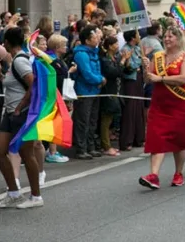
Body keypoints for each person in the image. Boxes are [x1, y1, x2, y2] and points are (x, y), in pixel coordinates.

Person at [138, 26, 185, 189]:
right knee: (156, 139)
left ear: (179, 39)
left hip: (180, 105)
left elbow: (183, 78)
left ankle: (178, 173)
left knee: (179, 142)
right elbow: (149, 80)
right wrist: (145, 67)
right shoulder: (157, 56)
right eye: (166, 36)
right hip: (160, 105)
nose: (167, 39)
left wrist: (161, 78)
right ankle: (153, 176)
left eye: (171, 36)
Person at [0, 27, 44, 208]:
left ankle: (36, 196)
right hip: (9, 114)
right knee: (0, 152)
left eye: (4, 42)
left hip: (22, 113)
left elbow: (33, 83)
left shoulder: (20, 61)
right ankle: (14, 193)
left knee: (27, 153)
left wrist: (20, 106)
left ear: (8, 43)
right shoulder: (14, 60)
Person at [72, 25, 106, 160]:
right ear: (87, 40)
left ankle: (90, 147)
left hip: (95, 91)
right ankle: (81, 148)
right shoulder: (81, 54)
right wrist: (100, 79)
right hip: (84, 91)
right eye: (94, 37)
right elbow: (87, 74)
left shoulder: (93, 52)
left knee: (92, 121)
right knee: (83, 121)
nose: (97, 38)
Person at [45, 34, 72, 163]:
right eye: (63, 45)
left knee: (56, 122)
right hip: (53, 95)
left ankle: (53, 150)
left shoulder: (58, 59)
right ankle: (52, 151)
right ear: (56, 47)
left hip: (59, 95)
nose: (66, 47)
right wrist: (69, 72)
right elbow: (58, 78)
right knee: (53, 123)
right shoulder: (51, 60)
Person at [99, 36, 127, 157]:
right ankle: (106, 145)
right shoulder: (105, 59)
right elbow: (113, 72)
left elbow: (121, 72)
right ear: (109, 46)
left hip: (115, 90)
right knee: (106, 119)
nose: (117, 46)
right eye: (115, 44)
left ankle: (107, 143)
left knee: (111, 118)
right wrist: (123, 61)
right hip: (108, 91)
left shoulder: (114, 58)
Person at [119, 30, 146, 151]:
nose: (139, 36)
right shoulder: (125, 49)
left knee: (139, 108)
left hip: (138, 79)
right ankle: (127, 140)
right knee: (130, 110)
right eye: (137, 34)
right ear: (132, 37)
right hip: (130, 81)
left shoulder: (137, 48)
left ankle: (139, 138)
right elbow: (129, 66)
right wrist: (140, 62)